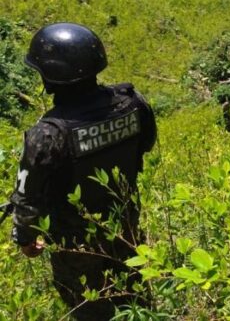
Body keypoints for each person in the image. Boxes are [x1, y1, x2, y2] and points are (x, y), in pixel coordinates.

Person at [10, 22, 157, 320]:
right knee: (134, 297)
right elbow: (145, 144)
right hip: (125, 225)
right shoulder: (132, 103)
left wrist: (25, 240)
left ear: (50, 77)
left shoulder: (47, 134)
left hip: (77, 247)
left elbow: (26, 198)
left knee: (90, 309)